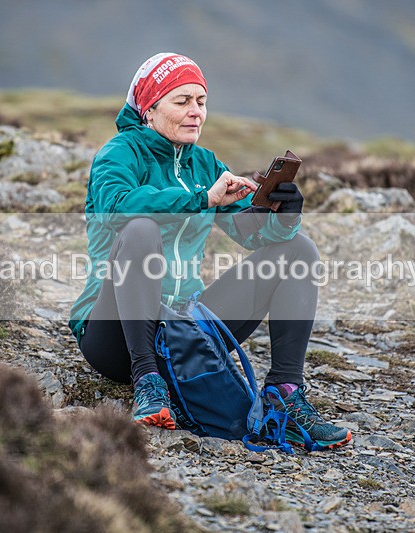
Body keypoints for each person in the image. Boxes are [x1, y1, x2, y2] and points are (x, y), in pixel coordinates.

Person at [69, 53, 351, 449]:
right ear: (149, 109)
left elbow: (254, 235)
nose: (195, 112)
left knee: (298, 250)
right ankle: (148, 382)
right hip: (114, 338)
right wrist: (202, 198)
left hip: (184, 329)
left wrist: (284, 215)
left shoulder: (205, 164)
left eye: (201, 102)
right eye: (181, 101)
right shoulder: (119, 153)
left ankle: (284, 394)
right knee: (141, 230)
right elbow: (119, 207)